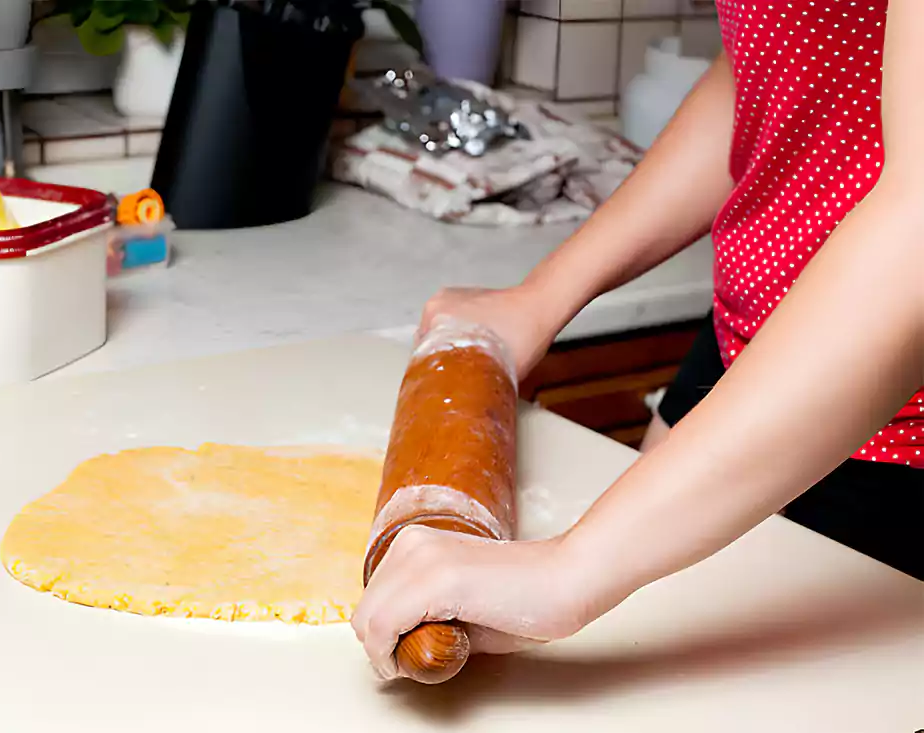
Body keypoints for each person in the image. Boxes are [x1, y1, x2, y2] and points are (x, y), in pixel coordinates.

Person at [351, 0, 923, 681]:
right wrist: (539, 299)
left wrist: (571, 568)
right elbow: (768, 66)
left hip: (886, 409)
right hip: (745, 345)